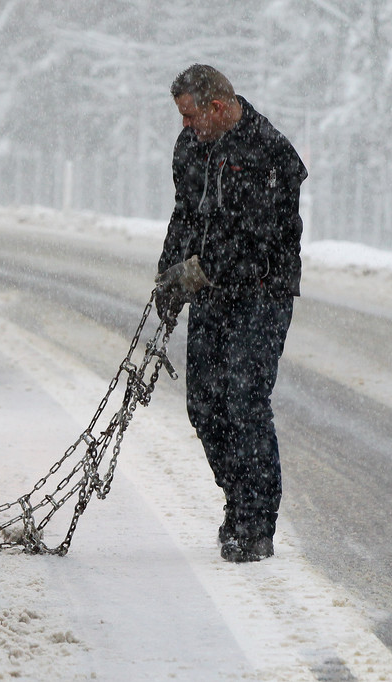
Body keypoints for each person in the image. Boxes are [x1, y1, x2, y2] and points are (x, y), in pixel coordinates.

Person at [153, 65, 307, 563]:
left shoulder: (269, 153)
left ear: (217, 107)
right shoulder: (191, 146)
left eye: (189, 115)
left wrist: (195, 274)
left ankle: (257, 525)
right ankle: (238, 501)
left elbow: (253, 239)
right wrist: (168, 275)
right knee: (204, 404)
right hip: (213, 296)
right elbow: (185, 214)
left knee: (244, 400)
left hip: (262, 293)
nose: (184, 126)